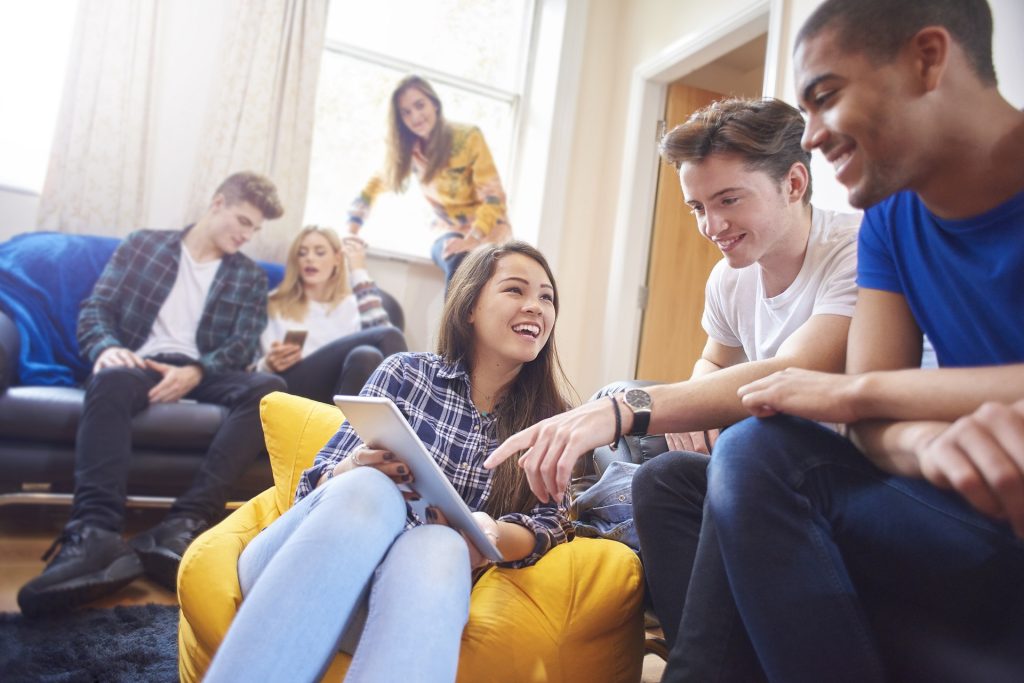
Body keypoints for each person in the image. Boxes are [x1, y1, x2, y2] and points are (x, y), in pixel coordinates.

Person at [689, 1, 1024, 681]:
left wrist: (853, 390)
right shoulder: (890, 221)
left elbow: (863, 395)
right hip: (971, 512)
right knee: (720, 465)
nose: (808, 136)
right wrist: (928, 442)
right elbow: (873, 430)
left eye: (826, 97)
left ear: (928, 59)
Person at [485, 97, 859, 669]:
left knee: (664, 417)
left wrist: (623, 408)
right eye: (697, 208)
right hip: (762, 454)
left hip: (842, 461)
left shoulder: (853, 249)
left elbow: (791, 374)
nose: (713, 227)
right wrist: (701, 400)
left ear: (794, 182)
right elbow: (714, 361)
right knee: (663, 477)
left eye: (729, 200)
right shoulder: (729, 280)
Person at [204, 241, 574, 683]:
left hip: (397, 599)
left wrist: (487, 533)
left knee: (443, 544)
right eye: (515, 290)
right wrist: (355, 465)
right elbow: (311, 489)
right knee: (368, 486)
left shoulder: (552, 422)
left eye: (547, 297)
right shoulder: (405, 374)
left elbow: (553, 523)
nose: (535, 306)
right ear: (470, 307)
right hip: (296, 564)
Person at [18, 172, 288, 616]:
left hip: (203, 369)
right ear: (217, 203)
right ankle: (97, 534)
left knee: (268, 389)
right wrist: (107, 349)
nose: (246, 234)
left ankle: (183, 524)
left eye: (254, 229)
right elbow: (97, 308)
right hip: (139, 362)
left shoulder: (248, 277)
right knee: (108, 379)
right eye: (242, 220)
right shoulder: (144, 245)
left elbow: (242, 343)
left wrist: (196, 371)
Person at [347, 74, 512, 284]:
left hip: (487, 232)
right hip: (447, 231)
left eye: (420, 105)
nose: (415, 116)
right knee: (457, 259)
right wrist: (352, 230)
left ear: (434, 103)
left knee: (477, 270)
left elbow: (494, 197)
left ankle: (461, 316)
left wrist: (472, 239)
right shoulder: (408, 151)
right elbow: (374, 186)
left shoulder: (468, 137)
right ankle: (452, 318)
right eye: (406, 113)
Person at [257, 225, 407, 403]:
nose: (309, 258)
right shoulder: (275, 302)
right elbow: (256, 365)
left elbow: (381, 334)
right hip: (291, 387)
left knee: (367, 355)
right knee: (389, 334)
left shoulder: (352, 305)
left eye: (319, 253)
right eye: (302, 253)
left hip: (338, 390)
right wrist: (267, 364)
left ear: (337, 258)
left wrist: (358, 269)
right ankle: (409, 413)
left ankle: (347, 429)